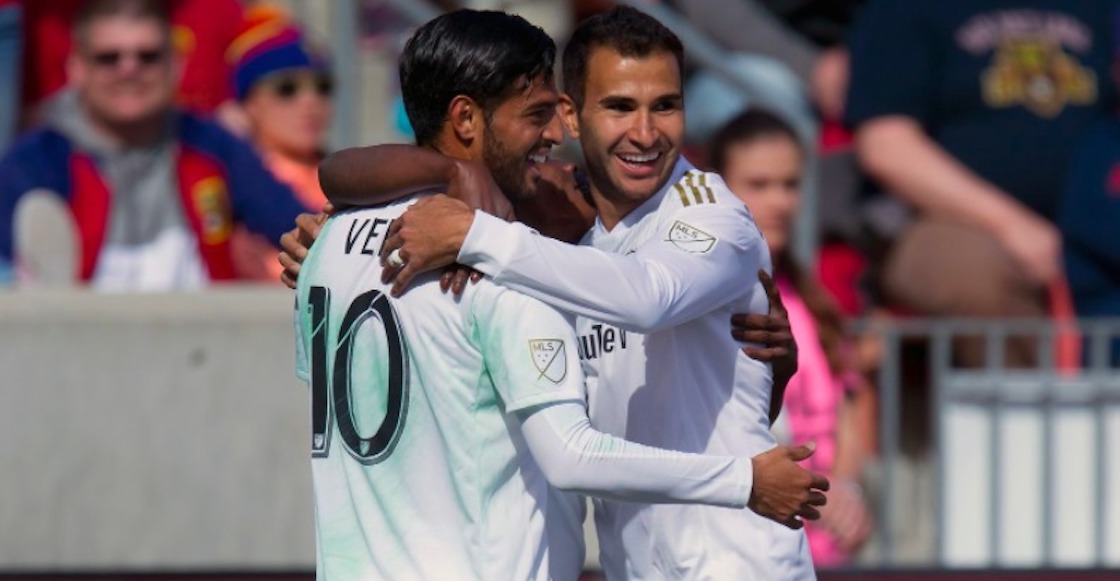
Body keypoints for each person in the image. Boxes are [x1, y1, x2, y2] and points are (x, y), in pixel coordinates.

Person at [294, 10, 825, 580]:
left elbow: (647, 299)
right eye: (619, 106)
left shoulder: (705, 215)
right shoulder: (531, 246)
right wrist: (457, 184)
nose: (645, 133)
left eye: (665, 106)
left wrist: (473, 230)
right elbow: (573, 451)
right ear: (575, 115)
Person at [845, 0, 1118, 366]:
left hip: (1092, 218)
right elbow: (887, 147)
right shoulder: (902, 9)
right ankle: (1033, 415)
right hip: (943, 221)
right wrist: (1012, 225)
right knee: (971, 275)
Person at [0, 0, 305, 290]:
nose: (129, 69)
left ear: (176, 64)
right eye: (109, 58)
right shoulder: (38, 160)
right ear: (77, 68)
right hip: (78, 336)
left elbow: (294, 226)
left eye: (148, 56)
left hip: (203, 334)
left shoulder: (212, 144)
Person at [710, 107, 874, 566]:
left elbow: (850, 403)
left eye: (791, 184)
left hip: (820, 556)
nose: (781, 201)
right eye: (759, 185)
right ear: (719, 190)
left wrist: (846, 490)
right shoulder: (707, 303)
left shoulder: (812, 299)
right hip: (742, 553)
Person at [226, 5, 333, 282]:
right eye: (287, 88)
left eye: (323, 86)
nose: (310, 102)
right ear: (249, 103)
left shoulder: (349, 172)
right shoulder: (235, 183)